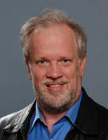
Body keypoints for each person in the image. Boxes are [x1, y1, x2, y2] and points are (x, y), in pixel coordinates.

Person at [0, 9, 108, 140]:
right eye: (42, 61)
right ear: (29, 68)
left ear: (81, 65)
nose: (54, 73)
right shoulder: (3, 131)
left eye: (64, 61)